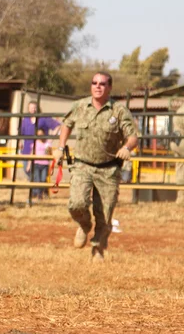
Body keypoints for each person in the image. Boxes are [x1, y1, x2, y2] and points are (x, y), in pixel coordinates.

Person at [53, 72, 138, 263]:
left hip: (108, 169)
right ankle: (84, 224)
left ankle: (97, 248)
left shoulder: (118, 110)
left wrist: (126, 147)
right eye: (94, 83)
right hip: (82, 164)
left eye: (102, 84)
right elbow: (67, 124)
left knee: (105, 214)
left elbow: (133, 136)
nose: (97, 86)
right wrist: (60, 147)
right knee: (76, 204)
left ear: (109, 87)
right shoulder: (80, 106)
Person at [19, 101, 60, 178]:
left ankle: (39, 188)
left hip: (41, 150)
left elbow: (57, 126)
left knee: (41, 173)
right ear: (28, 109)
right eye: (31, 108)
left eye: (35, 108)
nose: (33, 110)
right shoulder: (26, 120)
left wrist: (50, 139)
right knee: (27, 170)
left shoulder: (43, 118)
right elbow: (20, 132)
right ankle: (38, 187)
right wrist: (20, 142)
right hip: (27, 150)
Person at [27, 128, 52, 200]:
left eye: (41, 134)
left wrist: (49, 151)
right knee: (37, 180)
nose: (40, 136)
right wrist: (29, 164)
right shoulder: (35, 143)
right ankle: (39, 195)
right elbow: (32, 153)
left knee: (43, 179)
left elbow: (50, 154)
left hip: (45, 164)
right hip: (36, 164)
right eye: (38, 134)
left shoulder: (47, 143)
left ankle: (42, 193)